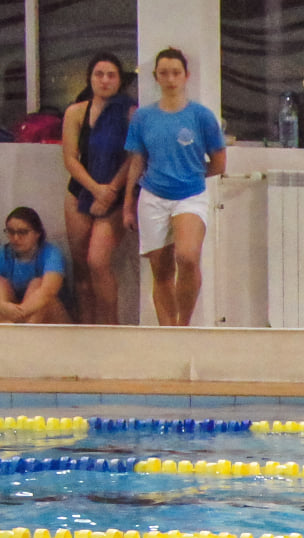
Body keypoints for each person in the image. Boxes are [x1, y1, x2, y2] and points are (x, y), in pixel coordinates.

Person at [122, 48, 225, 328]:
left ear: (186, 76)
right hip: (152, 196)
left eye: (176, 73)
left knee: (187, 256)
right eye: (164, 73)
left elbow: (219, 162)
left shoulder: (201, 116)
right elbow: (136, 161)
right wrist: (128, 205)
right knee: (162, 271)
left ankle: (184, 326)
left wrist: (191, 174)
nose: (170, 79)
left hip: (190, 196)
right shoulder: (143, 118)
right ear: (156, 76)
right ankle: (168, 332)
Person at [61, 52, 134, 325]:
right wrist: (95, 188)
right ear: (90, 79)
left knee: (97, 262)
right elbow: (70, 158)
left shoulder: (130, 112)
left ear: (119, 80)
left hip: (116, 194)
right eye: (98, 75)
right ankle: (86, 330)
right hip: (80, 190)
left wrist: (110, 191)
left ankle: (109, 328)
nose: (104, 80)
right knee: (81, 268)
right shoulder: (76, 112)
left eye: (111, 75)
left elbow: (134, 157)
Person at [0, 207, 69, 324]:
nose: (16, 238)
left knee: (37, 285)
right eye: (11, 232)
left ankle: (24, 336)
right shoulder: (2, 255)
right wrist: (1, 306)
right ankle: (6, 335)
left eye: (22, 232)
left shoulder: (51, 253)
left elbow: (48, 291)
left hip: (53, 322)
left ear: (37, 233)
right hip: (12, 318)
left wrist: (20, 312)